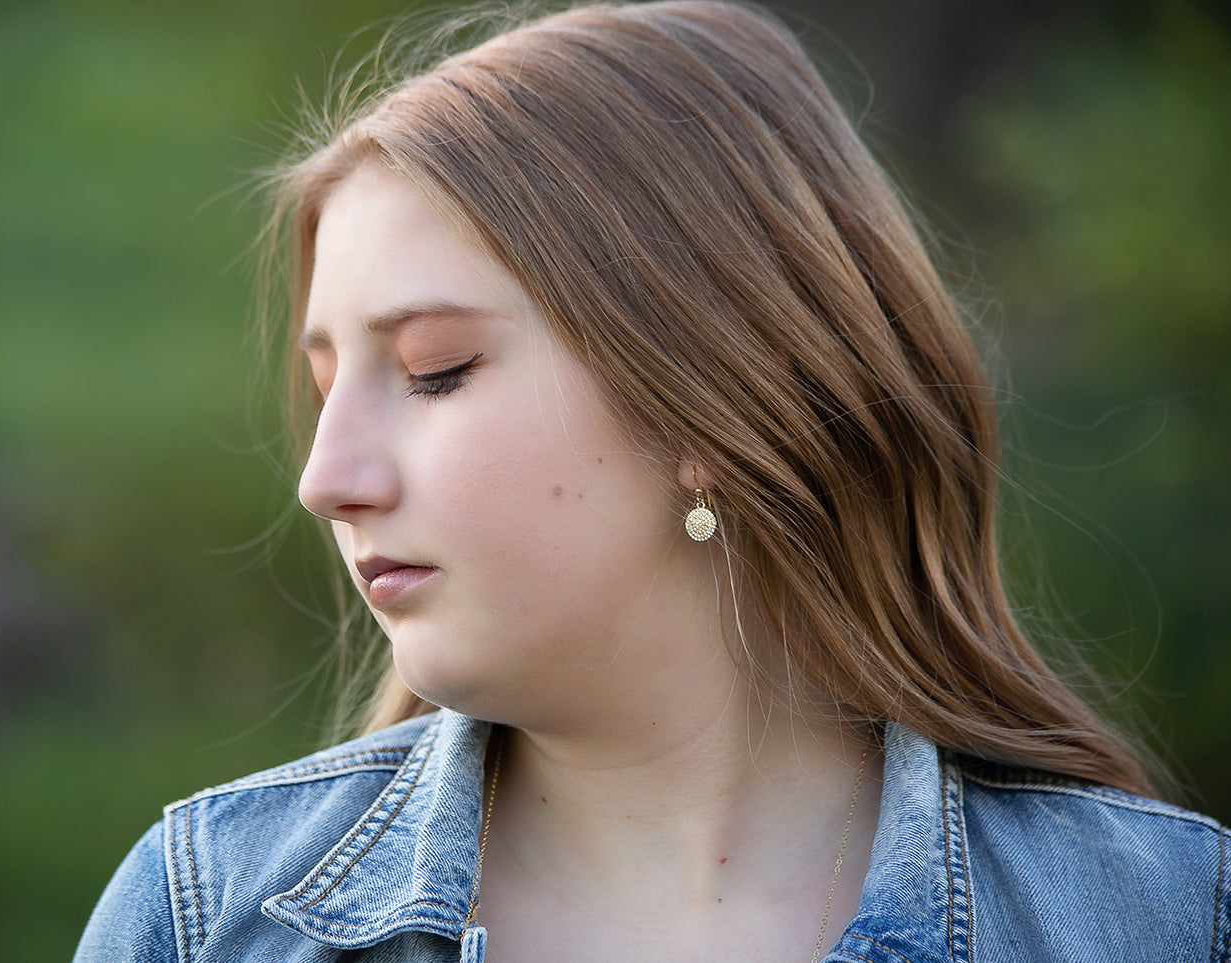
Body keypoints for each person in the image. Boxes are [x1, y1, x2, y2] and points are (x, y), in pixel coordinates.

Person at [73, 2, 1229, 961]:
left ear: (708, 394)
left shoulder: (1159, 920)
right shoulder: (207, 917)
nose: (326, 481)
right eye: (326, 390)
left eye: (434, 371)